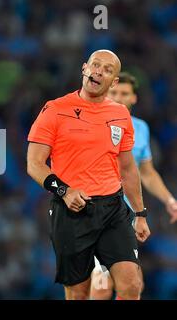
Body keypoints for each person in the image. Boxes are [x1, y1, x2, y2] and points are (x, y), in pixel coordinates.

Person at [27, 50, 151, 300]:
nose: (98, 71)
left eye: (107, 69)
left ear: (114, 81)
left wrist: (139, 214)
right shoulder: (55, 109)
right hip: (72, 211)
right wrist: (64, 191)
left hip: (113, 209)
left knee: (131, 284)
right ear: (84, 68)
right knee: (79, 293)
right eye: (95, 65)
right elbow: (35, 164)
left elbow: (127, 168)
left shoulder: (120, 114)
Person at [90, 72, 177, 300]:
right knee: (104, 285)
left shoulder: (141, 128)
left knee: (133, 286)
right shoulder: (92, 125)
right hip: (97, 215)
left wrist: (168, 199)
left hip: (126, 217)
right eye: (114, 92)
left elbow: (146, 173)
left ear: (134, 98)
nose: (118, 98)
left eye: (124, 93)